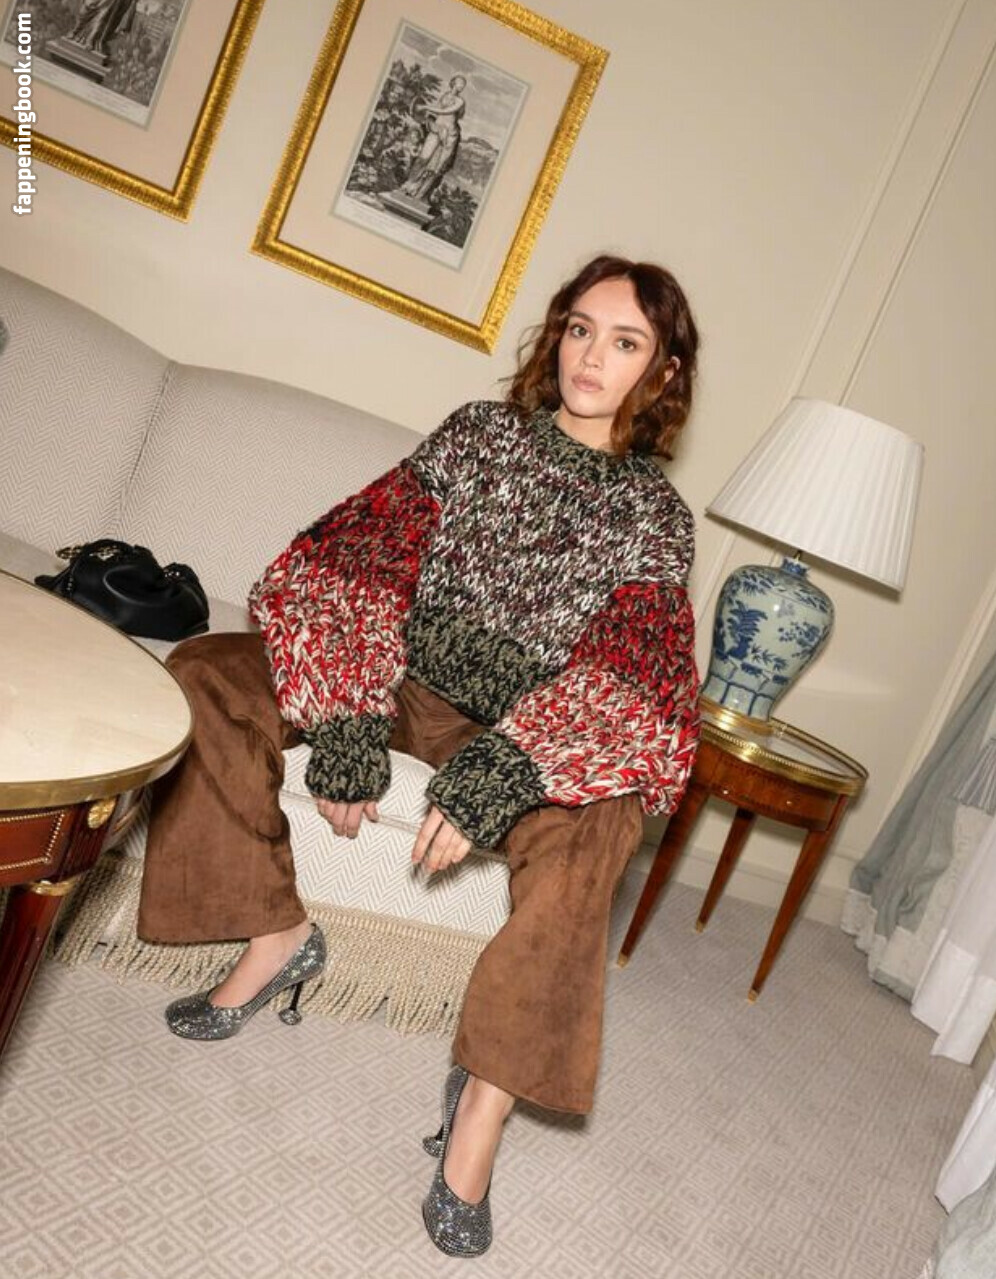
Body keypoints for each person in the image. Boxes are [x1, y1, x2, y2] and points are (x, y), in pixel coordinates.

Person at [137, 253, 701, 1257]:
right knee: (207, 671)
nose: (590, 356)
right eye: (579, 328)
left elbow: (635, 682)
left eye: (624, 343)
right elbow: (351, 557)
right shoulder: (479, 434)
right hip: (402, 678)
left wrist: (508, 769)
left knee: (607, 816)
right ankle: (275, 934)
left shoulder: (657, 519)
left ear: (660, 372)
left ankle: (482, 1103)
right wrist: (349, 711)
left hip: (520, 730)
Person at [400, 75, 466, 202]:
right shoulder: (445, 95)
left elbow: (446, 111)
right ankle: (409, 184)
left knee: (436, 167)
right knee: (423, 158)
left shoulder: (460, 101)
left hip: (449, 136)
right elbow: (438, 110)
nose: (461, 86)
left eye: (463, 85)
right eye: (460, 83)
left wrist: (425, 107)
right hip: (436, 129)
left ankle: (419, 194)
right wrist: (424, 111)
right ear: (453, 83)